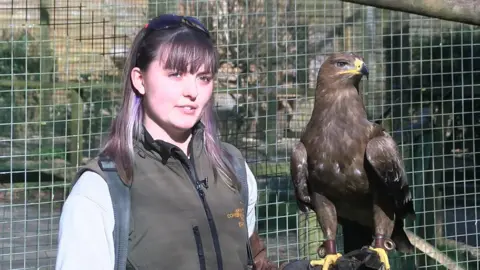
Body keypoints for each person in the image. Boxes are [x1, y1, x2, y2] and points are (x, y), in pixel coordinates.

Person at [54, 13, 287, 270]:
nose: (193, 91)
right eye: (176, 74)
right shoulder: (101, 190)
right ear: (139, 80)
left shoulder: (234, 168)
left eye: (204, 78)